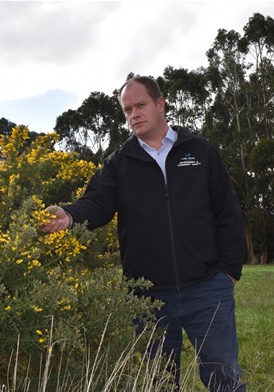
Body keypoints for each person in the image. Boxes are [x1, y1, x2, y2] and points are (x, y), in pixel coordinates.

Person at [41, 75, 246, 391]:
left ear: (160, 103)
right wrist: (69, 215)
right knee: (157, 384)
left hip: (207, 290)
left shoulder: (200, 152)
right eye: (127, 110)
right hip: (149, 299)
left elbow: (228, 213)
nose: (133, 114)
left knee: (225, 380)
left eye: (140, 105)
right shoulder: (119, 163)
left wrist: (228, 272)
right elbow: (96, 203)